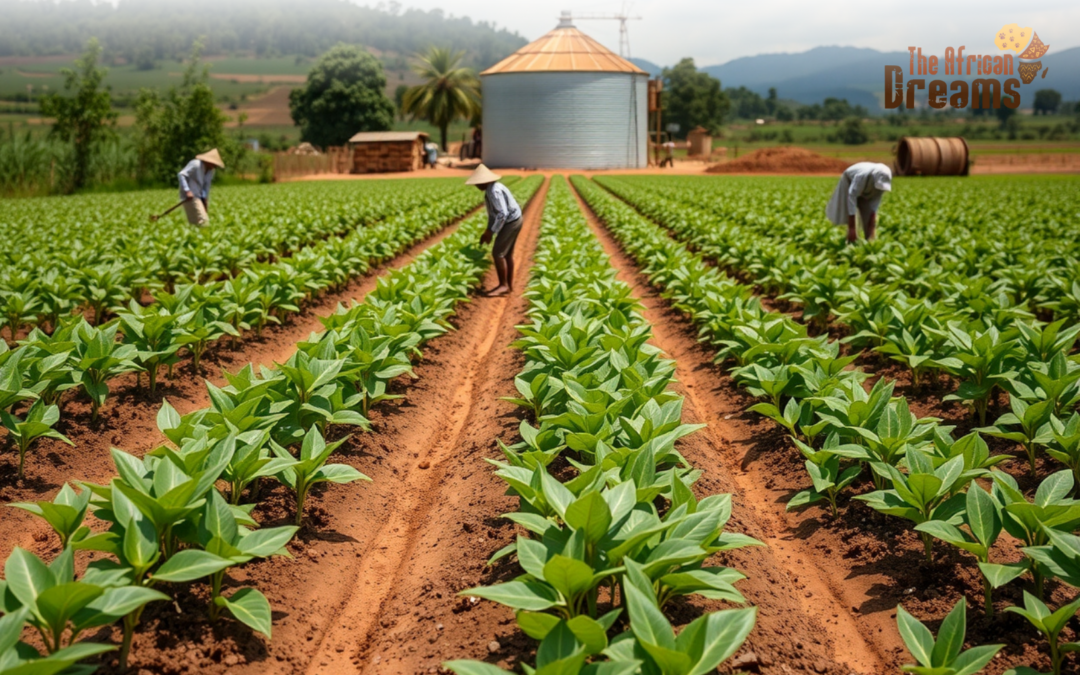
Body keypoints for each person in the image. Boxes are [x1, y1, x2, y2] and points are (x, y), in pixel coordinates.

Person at [466, 164, 522, 297]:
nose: (476, 185)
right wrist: (488, 231)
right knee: (506, 254)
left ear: (485, 181)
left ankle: (503, 285)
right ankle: (508, 286)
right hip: (514, 219)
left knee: (498, 253)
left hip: (511, 222)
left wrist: (492, 231)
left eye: (478, 183)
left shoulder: (494, 191)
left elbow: (502, 214)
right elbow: (494, 214)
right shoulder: (492, 189)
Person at [826, 162, 892, 243]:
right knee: (846, 212)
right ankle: (850, 240)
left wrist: (871, 224)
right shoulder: (862, 175)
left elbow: (875, 204)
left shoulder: (882, 182)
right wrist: (852, 228)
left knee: (868, 215)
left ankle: (869, 242)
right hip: (849, 180)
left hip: (865, 186)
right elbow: (852, 197)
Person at [177, 148, 225, 227]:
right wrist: (187, 191)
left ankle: (196, 237)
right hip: (189, 196)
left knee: (197, 222)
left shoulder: (210, 171)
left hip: (198, 196)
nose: (215, 166)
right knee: (202, 221)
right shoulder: (196, 164)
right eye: (214, 164)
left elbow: (206, 186)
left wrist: (205, 200)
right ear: (209, 161)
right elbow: (181, 175)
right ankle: (202, 237)